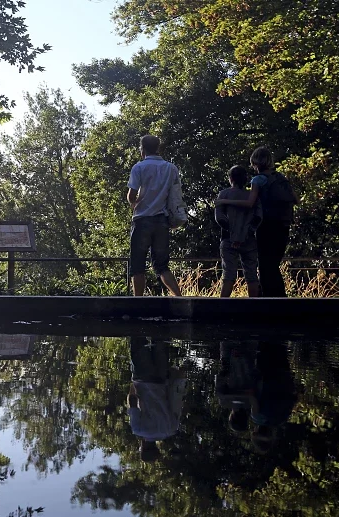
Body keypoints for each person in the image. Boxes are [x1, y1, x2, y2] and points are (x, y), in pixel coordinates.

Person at [216, 147, 300, 297]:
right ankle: (280, 298)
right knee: (273, 263)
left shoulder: (258, 180)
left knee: (265, 264)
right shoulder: (280, 177)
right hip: (283, 225)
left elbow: (250, 203)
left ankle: (267, 300)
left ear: (256, 162)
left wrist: (224, 201)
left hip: (267, 226)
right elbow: (296, 199)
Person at [126, 135, 182, 297]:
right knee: (162, 265)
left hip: (142, 219)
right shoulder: (171, 168)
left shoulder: (139, 167)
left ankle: (138, 302)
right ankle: (179, 297)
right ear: (158, 148)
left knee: (138, 265)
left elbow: (131, 195)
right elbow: (175, 195)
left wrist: (135, 202)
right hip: (162, 220)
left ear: (142, 149)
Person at [126, 337, 187, 462]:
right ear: (142, 448)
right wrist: (132, 386)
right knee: (138, 340)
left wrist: (178, 379)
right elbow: (133, 402)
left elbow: (176, 402)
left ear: (157, 448)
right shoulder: (138, 430)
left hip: (161, 379)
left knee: (161, 341)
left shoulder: (171, 429)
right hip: (142, 380)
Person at [215, 166, 263, 297]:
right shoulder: (253, 197)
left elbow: (220, 218)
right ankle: (253, 308)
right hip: (249, 239)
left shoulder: (223, 195)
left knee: (229, 274)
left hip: (228, 239)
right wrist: (246, 233)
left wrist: (233, 234)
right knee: (251, 274)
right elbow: (258, 218)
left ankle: (222, 307)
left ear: (230, 179)